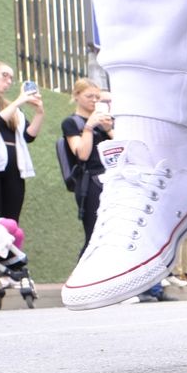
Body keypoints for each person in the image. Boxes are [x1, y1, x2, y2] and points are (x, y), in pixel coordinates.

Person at [0, 61, 45, 223]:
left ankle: (9, 249)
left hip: (15, 170)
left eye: (11, 79)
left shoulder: (11, 107)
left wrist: (39, 112)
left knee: (12, 221)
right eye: (4, 76)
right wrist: (19, 101)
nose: (8, 82)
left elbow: (29, 136)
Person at [61, 79, 114, 249]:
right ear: (76, 96)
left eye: (97, 97)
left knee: (112, 233)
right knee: (94, 235)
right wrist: (89, 127)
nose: (94, 100)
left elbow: (123, 149)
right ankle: (82, 275)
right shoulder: (72, 123)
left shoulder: (105, 122)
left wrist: (109, 129)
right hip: (90, 182)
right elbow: (82, 154)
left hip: (111, 179)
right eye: (89, 96)